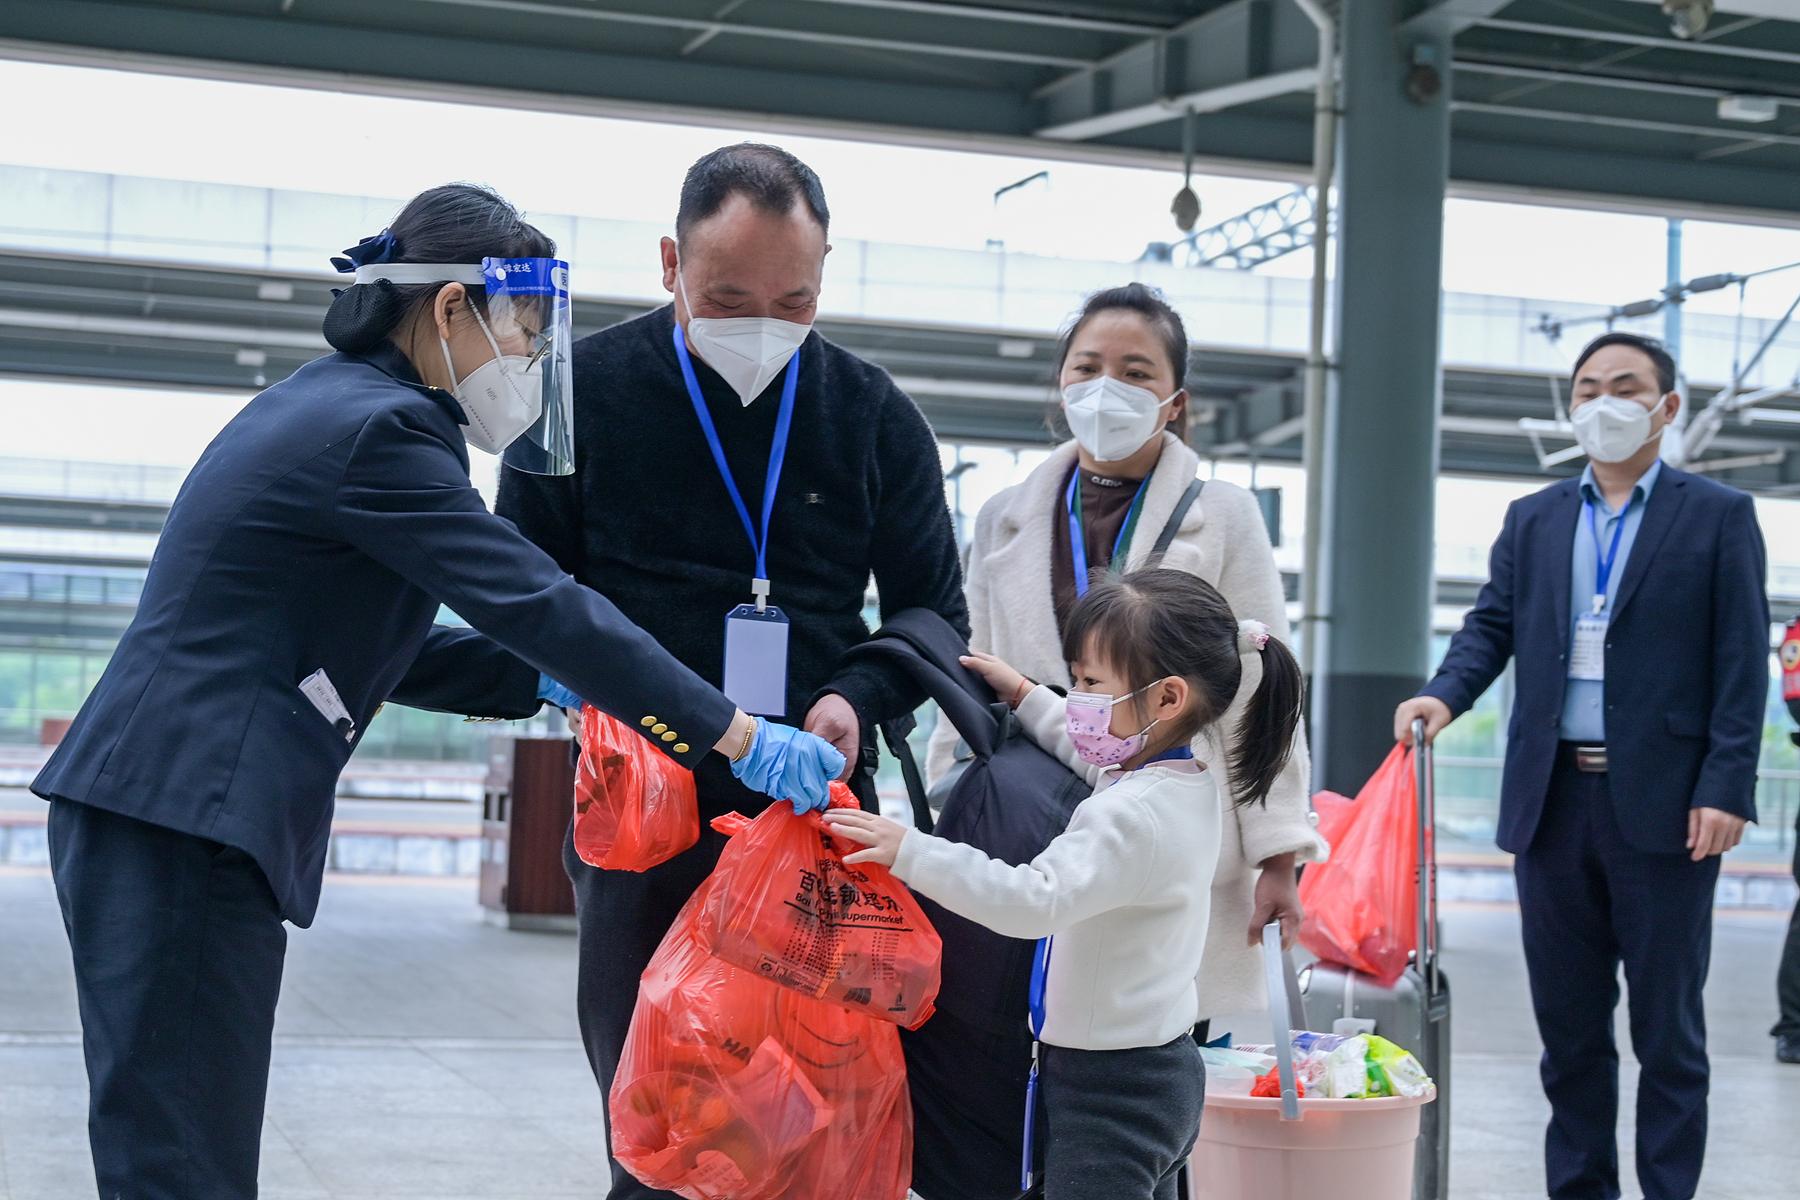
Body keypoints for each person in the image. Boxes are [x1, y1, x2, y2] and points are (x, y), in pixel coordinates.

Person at [31, 184, 844, 1200]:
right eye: (524, 333)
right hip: (186, 813)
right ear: (454, 309)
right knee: (182, 1165)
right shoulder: (388, 434)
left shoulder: (323, 404)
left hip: (157, 808)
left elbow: (377, 646)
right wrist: (731, 735)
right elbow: (540, 600)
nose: (527, 367)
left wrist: (541, 681)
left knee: (171, 1144)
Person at [494, 143, 968, 1198]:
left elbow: (935, 606)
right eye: (728, 295)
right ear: (669, 263)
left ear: (826, 273)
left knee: (822, 1125)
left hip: (817, 811)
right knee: (655, 1120)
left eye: (795, 297)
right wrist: (582, 689)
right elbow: (516, 581)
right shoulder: (573, 392)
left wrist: (858, 696)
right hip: (644, 810)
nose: (764, 321)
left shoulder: (873, 412)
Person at [1393, 331, 1769, 1200]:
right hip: (1552, 803)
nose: (1605, 403)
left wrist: (1725, 786)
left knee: (1668, 1032)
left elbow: (1741, 661)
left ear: (1667, 408)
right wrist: (1442, 697)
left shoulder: (1716, 516)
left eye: (1626, 387)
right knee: (1569, 1032)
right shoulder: (1536, 518)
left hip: (1670, 809)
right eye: (1588, 387)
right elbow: (1491, 626)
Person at [828, 568, 1306, 1200]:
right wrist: (1028, 694)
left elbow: (1033, 900)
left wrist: (912, 852)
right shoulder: (1175, 776)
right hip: (1155, 1068)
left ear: (1167, 700)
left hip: (1110, 1090)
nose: (1077, 699)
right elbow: (1088, 751)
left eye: (1089, 684)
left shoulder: (1131, 815)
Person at [925, 282, 1323, 1030]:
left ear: (1175, 401)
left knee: (1165, 1036)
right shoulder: (1004, 516)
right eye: (1086, 367)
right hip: (1029, 808)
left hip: (1176, 806)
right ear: (1062, 382)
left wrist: (1278, 856)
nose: (1107, 387)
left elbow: (1263, 689)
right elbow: (974, 670)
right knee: (1028, 1031)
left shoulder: (1225, 514)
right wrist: (958, 793)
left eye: (1137, 372)